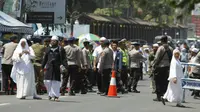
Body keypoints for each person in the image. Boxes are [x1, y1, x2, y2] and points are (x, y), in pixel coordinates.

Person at [42, 36, 67, 101]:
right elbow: (45, 59)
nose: (53, 42)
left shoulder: (61, 49)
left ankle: (56, 96)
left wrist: (66, 67)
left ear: (57, 42)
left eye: (54, 41)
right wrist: (42, 67)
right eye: (52, 40)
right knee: (47, 81)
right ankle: (50, 94)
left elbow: (64, 59)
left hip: (57, 68)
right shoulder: (48, 49)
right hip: (49, 67)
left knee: (56, 82)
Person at [152, 35, 173, 101]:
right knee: (165, 82)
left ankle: (158, 96)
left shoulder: (161, 48)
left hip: (160, 67)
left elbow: (156, 58)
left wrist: (153, 65)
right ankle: (165, 96)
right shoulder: (170, 48)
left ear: (161, 41)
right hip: (167, 67)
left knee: (158, 81)